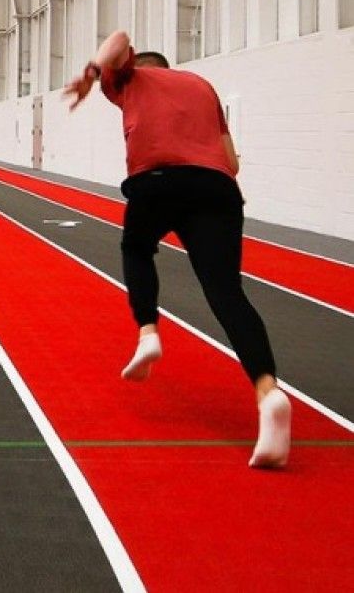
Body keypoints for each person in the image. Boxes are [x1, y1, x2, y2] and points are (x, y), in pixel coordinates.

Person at [64, 29, 291, 469]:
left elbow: (118, 36)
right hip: (216, 188)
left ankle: (148, 332)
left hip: (158, 181)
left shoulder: (130, 79)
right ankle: (268, 392)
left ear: (134, 66)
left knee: (136, 249)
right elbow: (232, 161)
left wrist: (94, 72)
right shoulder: (202, 87)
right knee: (227, 293)